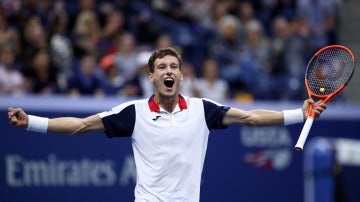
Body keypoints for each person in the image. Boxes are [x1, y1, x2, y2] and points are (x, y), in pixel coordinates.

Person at [8, 47, 326, 202]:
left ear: (181, 76)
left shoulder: (204, 109)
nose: (168, 70)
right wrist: (32, 122)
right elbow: (79, 125)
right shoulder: (133, 112)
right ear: (152, 77)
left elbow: (252, 117)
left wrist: (300, 114)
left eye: (174, 66)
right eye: (161, 66)